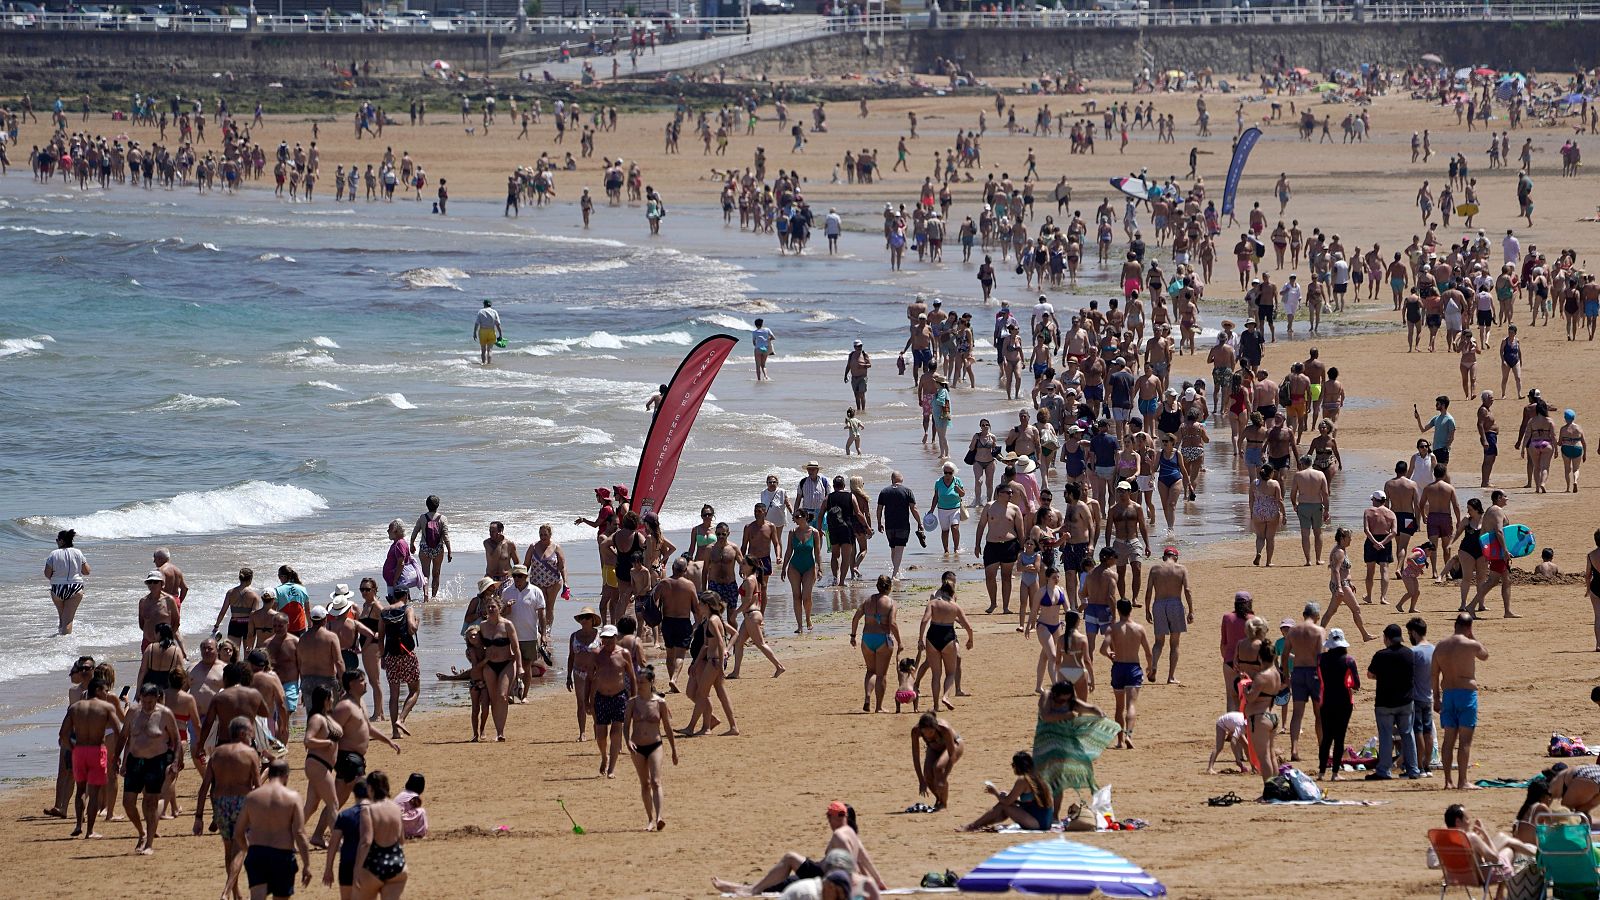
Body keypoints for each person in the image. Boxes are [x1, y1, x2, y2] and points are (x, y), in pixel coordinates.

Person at [712, 802, 885, 897]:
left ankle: (750, 890)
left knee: (790, 857)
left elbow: (853, 862)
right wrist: (878, 882)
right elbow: (865, 860)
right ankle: (737, 886)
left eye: (829, 817)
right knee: (780, 884)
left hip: (823, 875)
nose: (828, 821)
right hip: (819, 872)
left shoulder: (840, 835)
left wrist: (855, 883)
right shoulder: (852, 835)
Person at [224, 759, 311, 900]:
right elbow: (300, 833)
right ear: (286, 775)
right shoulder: (293, 798)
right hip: (282, 855)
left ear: (269, 775)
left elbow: (238, 832)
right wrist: (306, 864)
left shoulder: (252, 797)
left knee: (257, 897)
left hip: (258, 854)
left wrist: (248, 849)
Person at [1032, 681, 1118, 817]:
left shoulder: (1071, 702)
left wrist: (1100, 713)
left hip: (1062, 745)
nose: (1063, 702)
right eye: (1061, 699)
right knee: (1039, 779)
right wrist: (1066, 716)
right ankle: (1039, 812)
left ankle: (1054, 816)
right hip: (1044, 743)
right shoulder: (1047, 696)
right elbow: (1045, 716)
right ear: (1055, 694)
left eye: (1067, 699)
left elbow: (1090, 708)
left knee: (1056, 781)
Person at [60, 674, 121, 838]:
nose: (107, 694)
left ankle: (79, 824)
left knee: (80, 790)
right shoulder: (106, 708)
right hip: (96, 749)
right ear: (98, 690)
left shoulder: (75, 708)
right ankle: (90, 831)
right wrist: (117, 753)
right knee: (93, 792)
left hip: (79, 751)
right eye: (105, 690)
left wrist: (72, 748)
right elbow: (119, 731)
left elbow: (63, 734)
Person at [1433, 612, 1489, 790]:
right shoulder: (1471, 645)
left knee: (1448, 740)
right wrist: (1473, 637)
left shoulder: (1440, 646)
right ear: (1469, 627)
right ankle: (1462, 781)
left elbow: (1434, 674)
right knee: (1465, 741)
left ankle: (1448, 781)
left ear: (1454, 626)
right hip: (1466, 694)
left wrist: (1436, 697)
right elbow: (1485, 655)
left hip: (1448, 693)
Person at [624, 664, 678, 832]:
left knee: (655, 781)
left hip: (655, 744)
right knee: (645, 783)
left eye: (642, 682)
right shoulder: (633, 702)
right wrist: (628, 742)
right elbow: (625, 726)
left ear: (651, 682)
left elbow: (667, 728)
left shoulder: (660, 703)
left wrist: (674, 750)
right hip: (637, 746)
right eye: (638, 682)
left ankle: (659, 816)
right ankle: (649, 819)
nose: (639, 685)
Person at [1367, 623, 1422, 780]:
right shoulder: (1409, 653)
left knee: (1385, 735)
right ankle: (1413, 769)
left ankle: (1384, 770)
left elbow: (1370, 675)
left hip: (1385, 702)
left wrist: (1383, 677)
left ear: (1386, 638)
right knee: (1407, 734)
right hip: (1405, 702)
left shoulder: (1381, 655)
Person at [960, 750, 1056, 832]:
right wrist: (1016, 801)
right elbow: (1033, 804)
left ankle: (973, 826)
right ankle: (979, 825)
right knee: (1007, 803)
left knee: (1003, 805)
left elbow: (1007, 802)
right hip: (1045, 822)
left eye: (1013, 765)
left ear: (1018, 767)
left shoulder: (1023, 780)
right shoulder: (1038, 777)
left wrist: (995, 792)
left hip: (1037, 823)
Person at [1101, 598, 1152, 749]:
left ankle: (1119, 741)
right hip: (1133, 668)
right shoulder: (1139, 628)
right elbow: (1148, 653)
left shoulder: (1113, 628)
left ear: (1118, 610)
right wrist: (1150, 667)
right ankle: (1129, 735)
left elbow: (1103, 649)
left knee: (1119, 707)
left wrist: (1110, 654)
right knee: (1131, 705)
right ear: (1131, 609)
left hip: (1118, 667)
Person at [353, 771, 408, 899]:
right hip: (397, 864)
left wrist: (357, 869)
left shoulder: (369, 810)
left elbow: (366, 842)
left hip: (374, 865)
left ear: (370, 788)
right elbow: (401, 840)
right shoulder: (396, 808)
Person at [850, 575, 900, 712]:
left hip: (867, 639)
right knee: (881, 675)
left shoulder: (867, 601)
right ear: (889, 587)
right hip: (882, 638)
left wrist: (853, 636)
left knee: (870, 671)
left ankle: (867, 696)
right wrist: (900, 642)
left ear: (877, 586)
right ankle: (878, 707)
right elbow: (892, 623)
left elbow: (855, 618)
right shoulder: (891, 603)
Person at [1143, 546, 1192, 684]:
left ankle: (1153, 666)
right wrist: (1191, 610)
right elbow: (1187, 590)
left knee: (1158, 642)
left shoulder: (1155, 569)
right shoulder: (1181, 569)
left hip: (1159, 604)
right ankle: (1170, 677)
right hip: (1175, 604)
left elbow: (1148, 592)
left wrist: (1147, 609)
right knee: (1174, 643)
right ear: (1175, 557)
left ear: (1164, 557)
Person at [1316, 628, 1359, 781]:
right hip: (1344, 702)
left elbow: (1318, 678)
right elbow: (1356, 684)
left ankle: (1321, 772)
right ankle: (1335, 773)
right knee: (1339, 737)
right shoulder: (1349, 660)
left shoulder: (1320, 659)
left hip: (1326, 701)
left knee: (1326, 737)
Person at [911, 713, 963, 811]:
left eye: (931, 732)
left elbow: (952, 755)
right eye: (925, 733)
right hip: (934, 747)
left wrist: (944, 777)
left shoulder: (944, 729)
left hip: (954, 746)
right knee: (927, 774)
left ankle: (943, 803)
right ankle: (939, 799)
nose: (928, 736)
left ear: (935, 728)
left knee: (938, 768)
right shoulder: (915, 731)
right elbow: (916, 757)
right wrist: (921, 780)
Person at [43, 528, 89, 635]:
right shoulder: (78, 552)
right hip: (75, 588)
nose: (56, 542)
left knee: (62, 617)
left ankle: (60, 643)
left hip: (57, 589)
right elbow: (86, 571)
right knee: (68, 620)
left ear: (62, 541)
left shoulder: (53, 554)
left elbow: (47, 574)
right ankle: (65, 646)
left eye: (57, 540)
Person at [408, 495, 451, 602]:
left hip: (425, 548)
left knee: (425, 574)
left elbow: (415, 532)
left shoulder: (422, 517)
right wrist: (449, 551)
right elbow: (445, 536)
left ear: (427, 505)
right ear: (438, 505)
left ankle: (426, 595)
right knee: (436, 573)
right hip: (438, 548)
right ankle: (434, 597)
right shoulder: (443, 518)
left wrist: (411, 544)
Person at [1407, 617, 1436, 773]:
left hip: (1416, 697)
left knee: (1417, 731)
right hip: (1429, 696)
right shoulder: (1434, 649)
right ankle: (1427, 765)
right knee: (1428, 730)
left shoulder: (1413, 652)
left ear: (1414, 633)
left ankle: (1419, 765)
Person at [474, 298, 502, 365]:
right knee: (490, 350)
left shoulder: (481, 311)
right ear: (490, 305)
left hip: (482, 331)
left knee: (483, 350)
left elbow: (477, 323)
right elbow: (498, 324)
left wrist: (474, 332)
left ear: (484, 304)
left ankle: (483, 363)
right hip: (491, 331)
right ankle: (489, 364)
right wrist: (500, 334)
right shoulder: (494, 312)